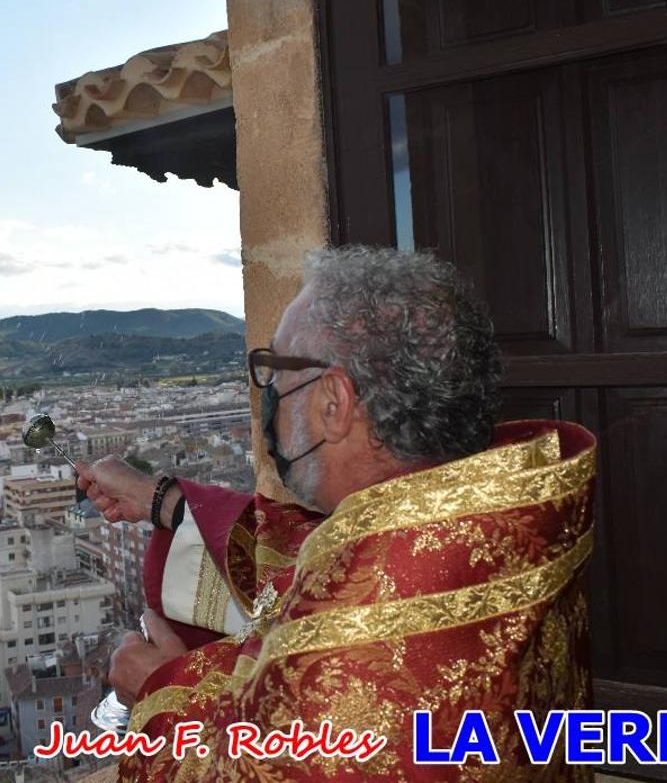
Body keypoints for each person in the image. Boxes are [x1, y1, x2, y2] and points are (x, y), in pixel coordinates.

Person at [78, 246, 597, 781]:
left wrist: (160, 689)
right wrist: (164, 500)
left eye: (274, 373)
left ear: (334, 403)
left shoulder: (351, 651)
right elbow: (315, 558)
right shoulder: (497, 514)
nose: (269, 399)